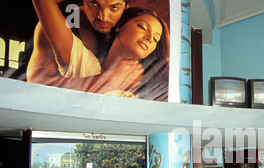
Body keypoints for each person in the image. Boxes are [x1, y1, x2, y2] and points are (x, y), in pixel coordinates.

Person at [28, 0, 170, 100]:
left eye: (114, 7)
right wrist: (109, 80)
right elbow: (37, 88)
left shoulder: (147, 83)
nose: (103, 16)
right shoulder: (84, 60)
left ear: (125, 7)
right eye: (94, 3)